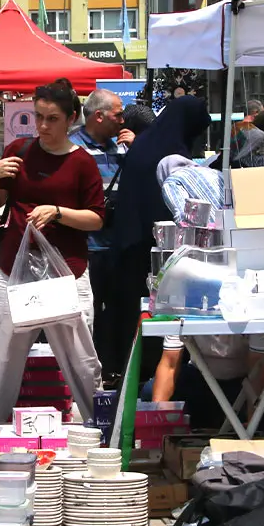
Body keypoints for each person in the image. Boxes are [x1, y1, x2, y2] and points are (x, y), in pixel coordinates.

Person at [0, 78, 104, 423]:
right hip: (14, 269)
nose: (43, 126)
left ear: (71, 119)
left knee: (81, 360)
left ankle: (96, 427)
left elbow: (96, 219)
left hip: (67, 272)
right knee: (1, 357)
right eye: (38, 116)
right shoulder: (19, 150)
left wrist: (58, 212)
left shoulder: (82, 163)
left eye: (52, 119)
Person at [105, 96, 210, 383]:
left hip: (128, 244)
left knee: (133, 314)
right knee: (160, 318)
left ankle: (133, 374)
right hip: (157, 250)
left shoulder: (143, 145)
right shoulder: (170, 155)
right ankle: (157, 381)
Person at [70, 89, 133, 385]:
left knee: (116, 311)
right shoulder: (73, 148)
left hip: (117, 246)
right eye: (118, 114)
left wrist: (136, 149)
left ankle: (112, 368)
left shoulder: (122, 146)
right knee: (87, 313)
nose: (122, 120)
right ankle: (87, 372)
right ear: (99, 116)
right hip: (87, 247)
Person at [143, 333, 264, 434]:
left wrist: (253, 424)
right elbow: (169, 363)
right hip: (201, 379)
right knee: (150, 393)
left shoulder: (256, 306)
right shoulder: (184, 303)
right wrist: (156, 424)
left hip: (244, 383)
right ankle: (203, 427)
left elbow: (258, 367)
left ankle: (251, 430)